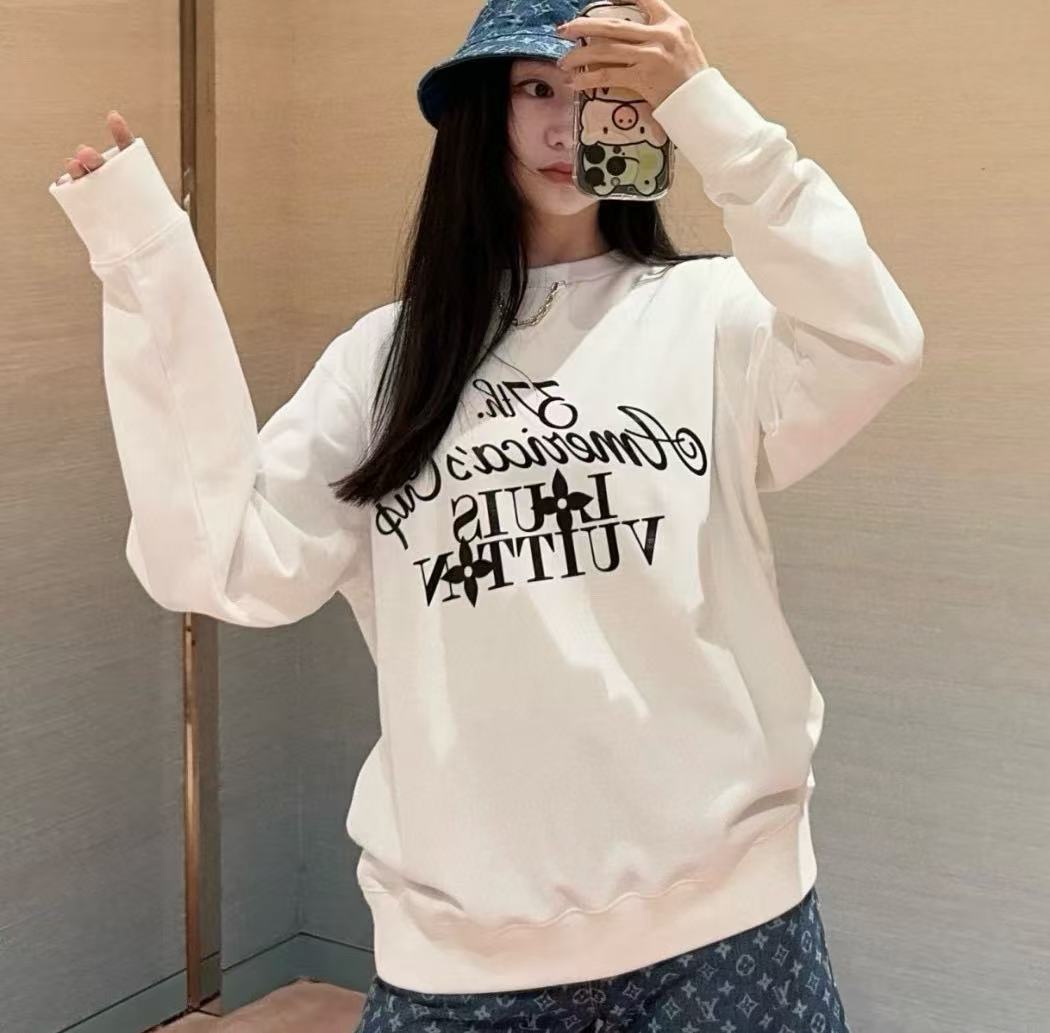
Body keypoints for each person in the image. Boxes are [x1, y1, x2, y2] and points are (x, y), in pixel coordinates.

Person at [49, 0, 923, 1028]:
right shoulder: (386, 360)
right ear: (481, 112)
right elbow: (225, 558)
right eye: (537, 88)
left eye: (605, 93)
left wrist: (710, 110)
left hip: (729, 922)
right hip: (466, 952)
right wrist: (146, 264)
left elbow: (874, 343)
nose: (566, 124)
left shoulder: (712, 315)